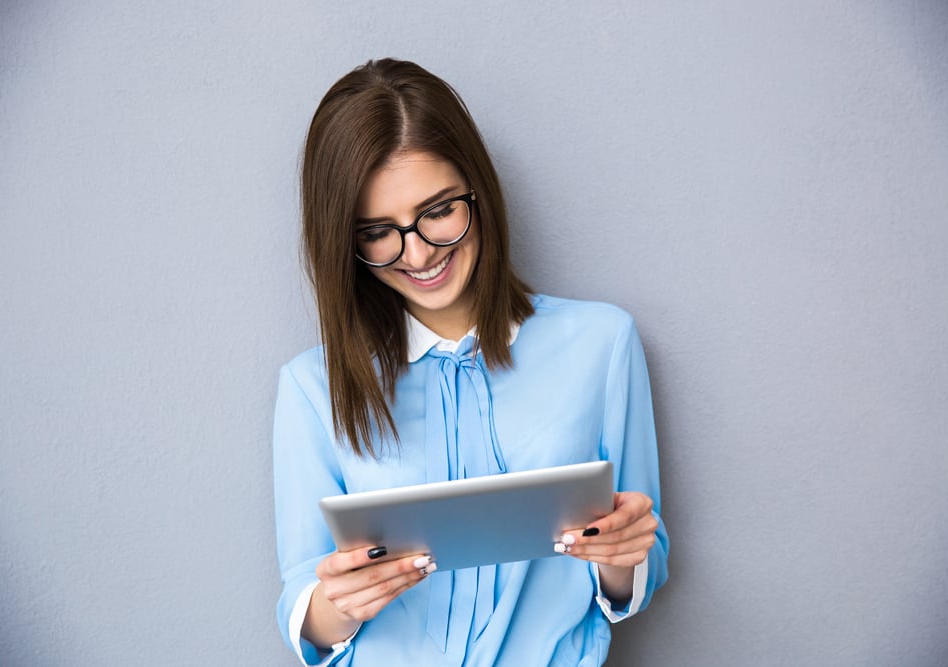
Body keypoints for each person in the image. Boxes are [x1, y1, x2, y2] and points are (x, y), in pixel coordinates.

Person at [273, 58, 669, 666]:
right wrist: (340, 602)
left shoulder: (603, 344)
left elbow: (639, 572)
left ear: (478, 190)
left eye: (437, 212)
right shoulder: (310, 387)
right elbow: (304, 601)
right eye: (378, 231)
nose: (419, 254)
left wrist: (625, 554)